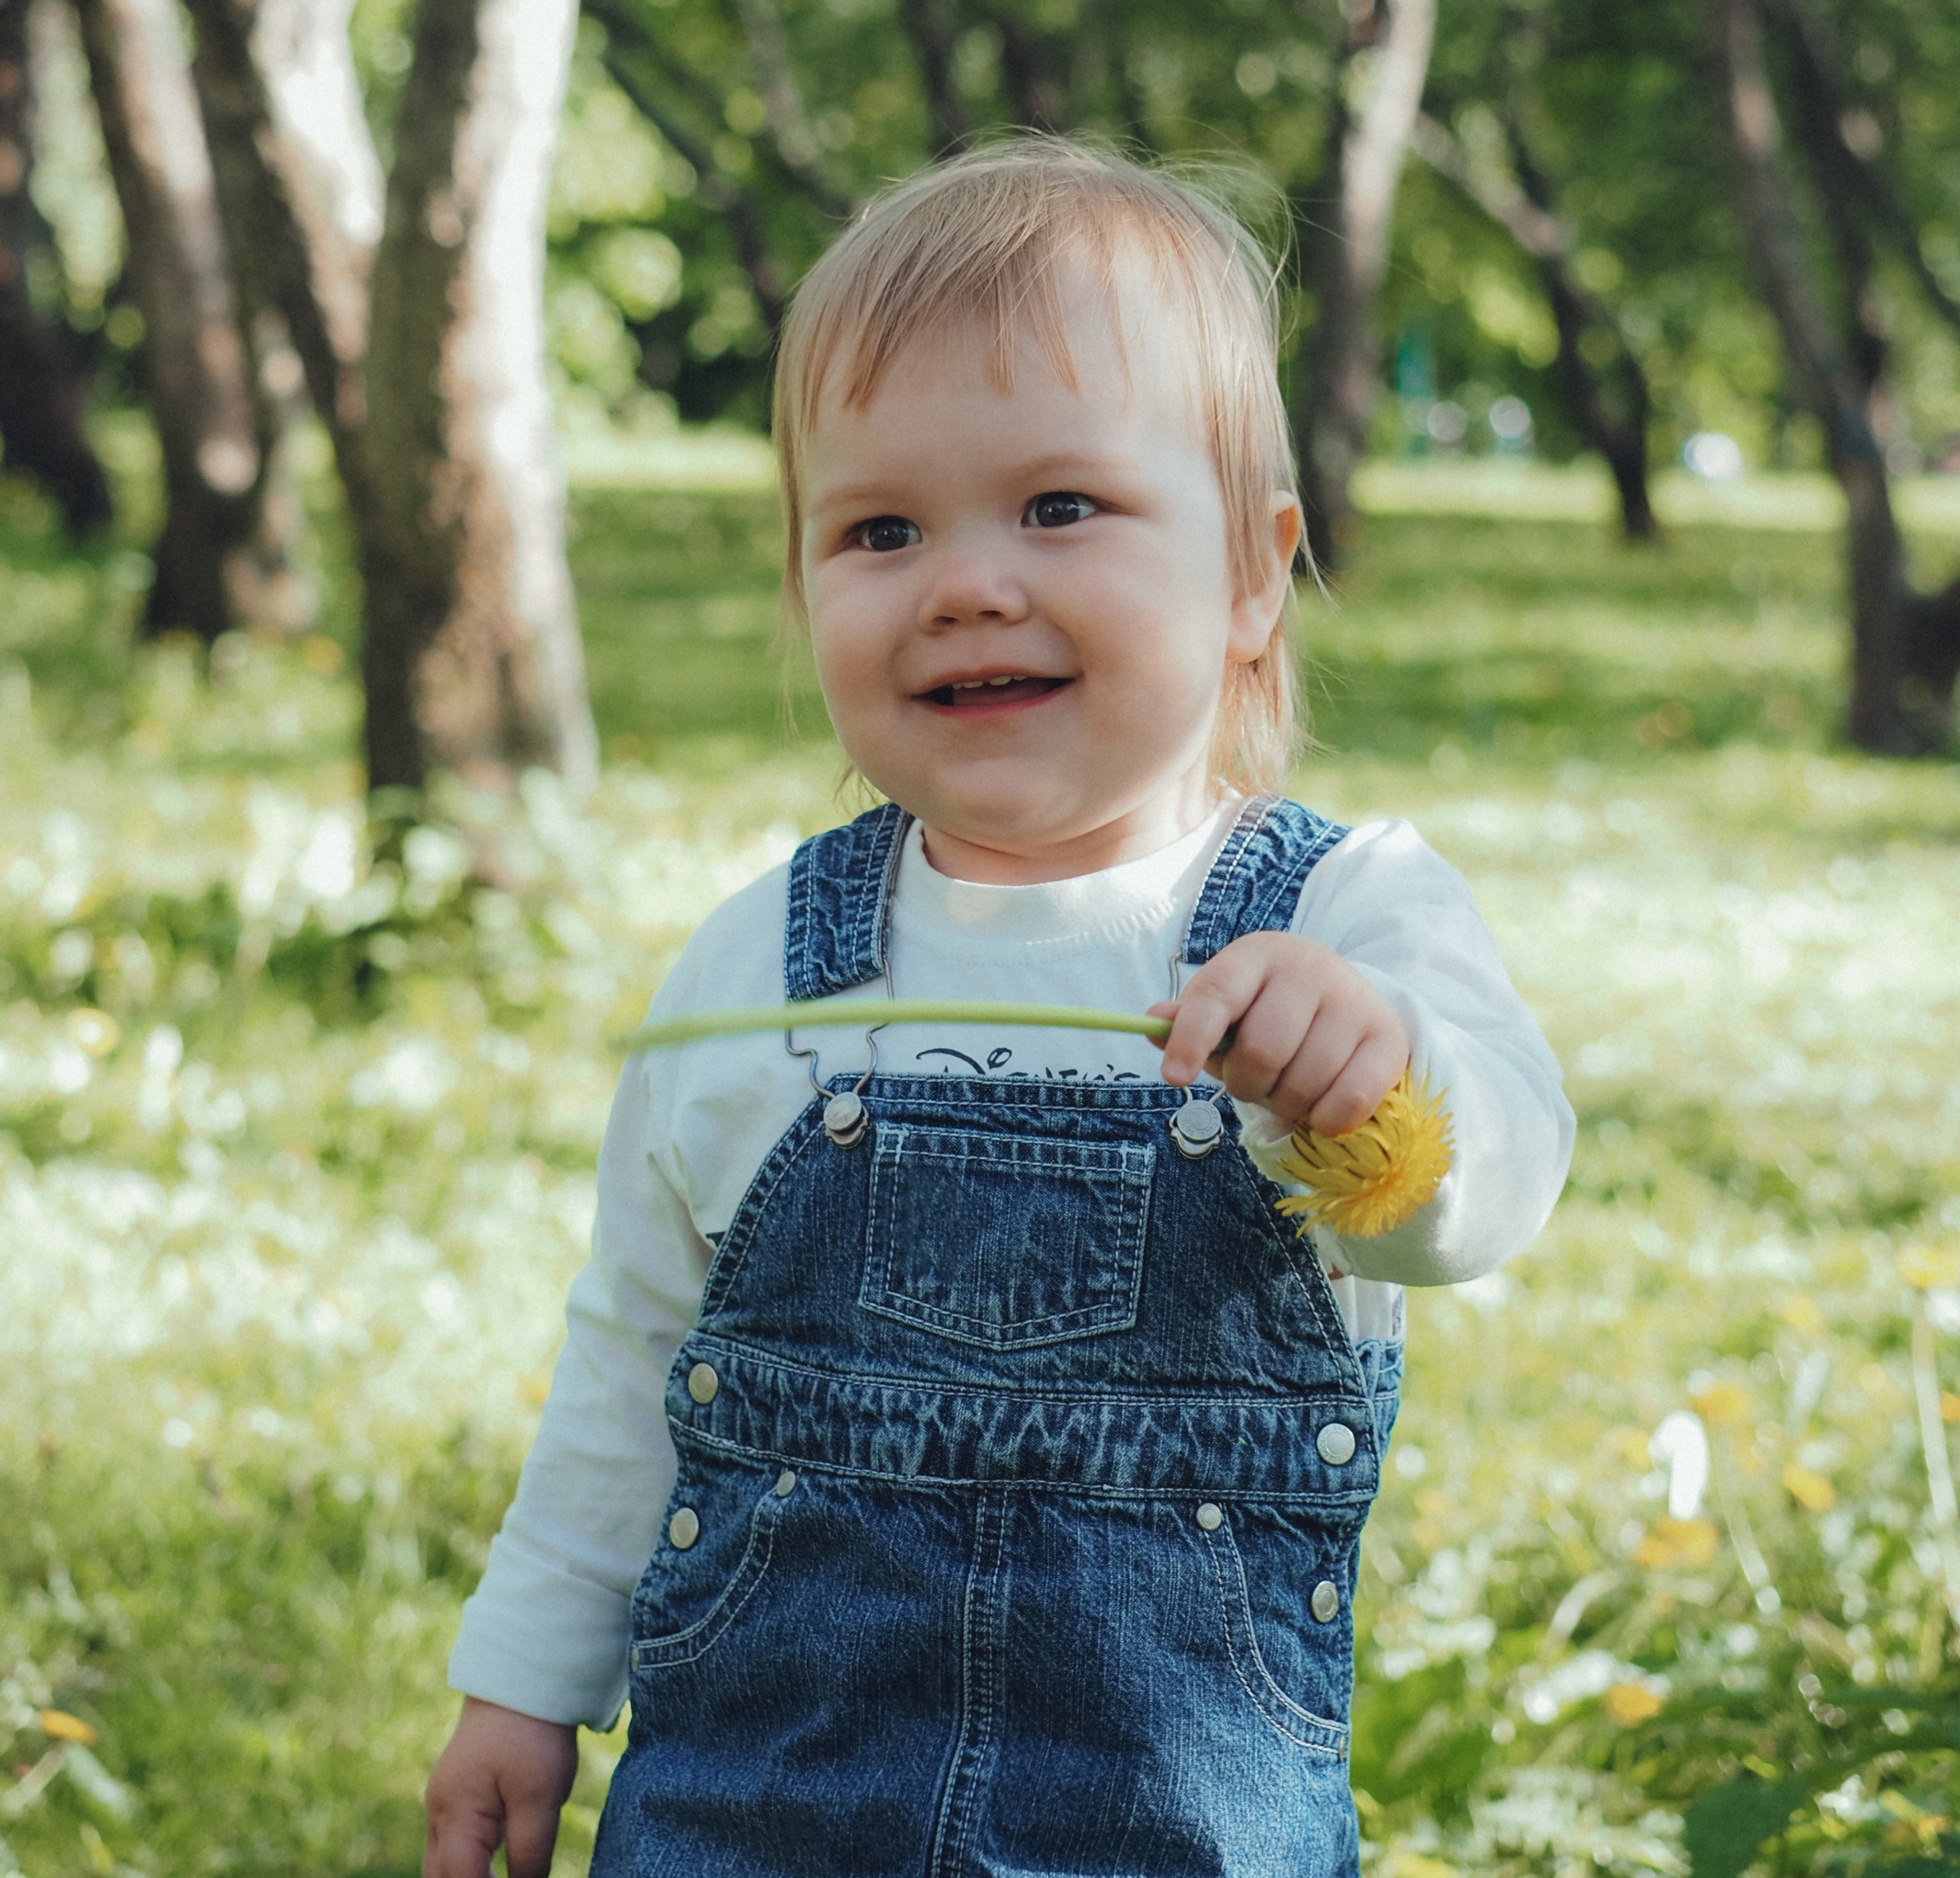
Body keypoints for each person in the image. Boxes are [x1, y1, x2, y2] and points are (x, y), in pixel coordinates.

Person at [423, 142, 1574, 1878]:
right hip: (757, 1806)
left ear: (1252, 575)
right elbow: (633, 1359)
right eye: (879, 529)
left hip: (1171, 1819)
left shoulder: (1342, 918)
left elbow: (1476, 1202)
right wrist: (519, 1682)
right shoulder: (764, 962)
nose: (964, 581)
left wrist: (1382, 1090)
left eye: (1058, 508)